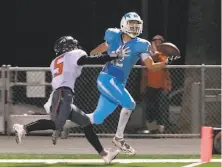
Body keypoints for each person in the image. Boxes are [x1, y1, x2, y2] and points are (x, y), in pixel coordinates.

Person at [13, 36, 129, 163]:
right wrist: (112, 56)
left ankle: (104, 154)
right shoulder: (74, 55)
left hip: (62, 94)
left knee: (85, 122)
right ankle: (24, 128)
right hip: (63, 93)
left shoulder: (54, 62)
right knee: (57, 124)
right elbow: (87, 60)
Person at [86, 12, 174, 155]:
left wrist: (164, 63)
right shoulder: (113, 35)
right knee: (130, 104)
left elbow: (151, 66)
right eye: (131, 24)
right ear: (123, 24)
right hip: (106, 78)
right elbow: (98, 50)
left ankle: (63, 121)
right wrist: (93, 56)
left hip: (119, 83)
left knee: (96, 118)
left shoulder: (141, 44)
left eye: (136, 24)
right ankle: (119, 138)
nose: (134, 27)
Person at [141, 35, 171, 133]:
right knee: (150, 107)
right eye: (155, 41)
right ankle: (152, 129)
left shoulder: (164, 54)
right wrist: (143, 87)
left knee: (161, 107)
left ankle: (162, 129)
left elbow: (165, 64)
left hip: (161, 86)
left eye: (159, 42)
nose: (157, 43)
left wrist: (168, 85)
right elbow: (145, 64)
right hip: (149, 85)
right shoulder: (147, 54)